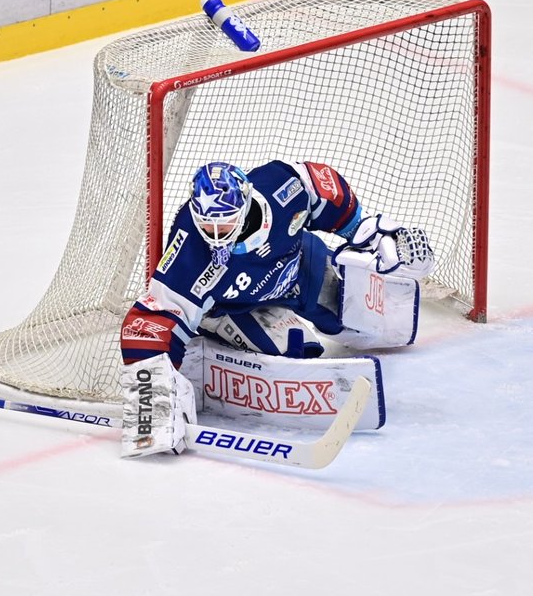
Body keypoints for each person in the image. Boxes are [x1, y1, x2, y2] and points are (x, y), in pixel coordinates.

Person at [119, 160, 434, 457]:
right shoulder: (191, 248)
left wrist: (364, 229)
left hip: (297, 270)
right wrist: (153, 393)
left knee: (367, 319)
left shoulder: (280, 185)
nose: (216, 236)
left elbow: (321, 187)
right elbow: (152, 317)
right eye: (209, 224)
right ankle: (213, 333)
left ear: (246, 205)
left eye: (226, 222)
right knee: (297, 350)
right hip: (239, 307)